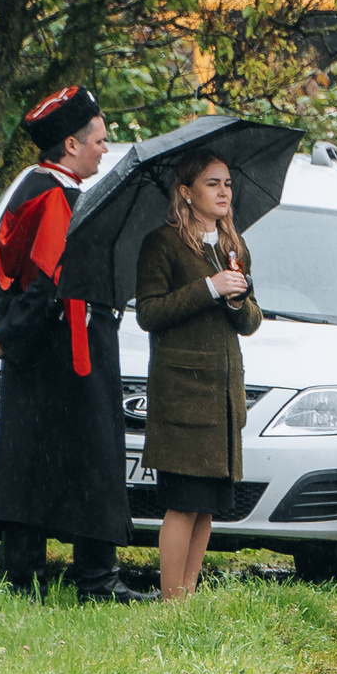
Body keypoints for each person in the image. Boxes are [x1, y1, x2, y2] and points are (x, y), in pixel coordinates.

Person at [0, 85, 148, 602]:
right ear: (71, 145)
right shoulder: (56, 196)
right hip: (64, 352)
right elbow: (48, 282)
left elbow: (3, 276)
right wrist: (8, 335)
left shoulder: (32, 187)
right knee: (92, 457)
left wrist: (0, 331)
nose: (104, 148)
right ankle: (96, 580)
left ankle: (25, 579)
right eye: (98, 140)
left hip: (38, 353)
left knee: (29, 461)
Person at [134, 152, 264, 601]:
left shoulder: (234, 247)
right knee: (183, 503)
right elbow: (149, 313)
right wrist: (209, 288)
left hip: (223, 398)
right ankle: (171, 601)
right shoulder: (162, 244)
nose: (224, 191)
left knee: (207, 506)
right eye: (213, 183)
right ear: (186, 192)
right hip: (182, 395)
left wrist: (236, 301)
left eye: (227, 183)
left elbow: (251, 320)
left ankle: (186, 599)